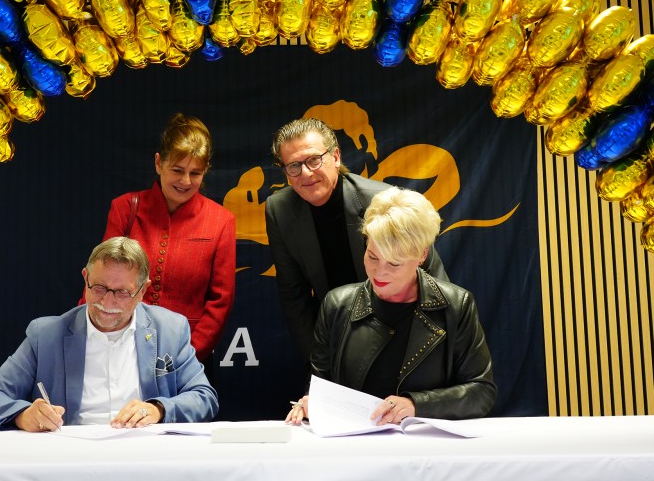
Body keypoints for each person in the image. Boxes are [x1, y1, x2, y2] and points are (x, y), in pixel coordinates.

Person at [286, 187, 496, 425]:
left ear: (422, 255)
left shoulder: (456, 306)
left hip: (426, 450)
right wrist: (309, 402)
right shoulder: (337, 305)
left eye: (395, 263)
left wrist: (416, 405)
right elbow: (319, 384)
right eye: (372, 257)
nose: (380, 272)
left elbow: (481, 392)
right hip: (355, 446)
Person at [0, 237, 218, 431]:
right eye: (99, 288)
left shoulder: (170, 329)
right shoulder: (45, 335)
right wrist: (23, 416)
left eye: (122, 292)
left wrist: (158, 409)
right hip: (71, 461)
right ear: (85, 278)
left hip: (146, 456)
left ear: (143, 291)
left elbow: (204, 398)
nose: (107, 302)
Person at [265, 117, 448, 364]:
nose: (305, 173)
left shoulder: (382, 200)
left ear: (336, 157)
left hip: (401, 330)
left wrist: (424, 356)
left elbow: (432, 280)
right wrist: (320, 364)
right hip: (336, 335)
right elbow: (294, 297)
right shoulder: (279, 210)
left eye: (313, 160)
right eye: (293, 166)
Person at [86, 113, 236, 366]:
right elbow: (98, 282)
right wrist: (92, 340)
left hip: (187, 355)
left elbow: (220, 301)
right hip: (118, 349)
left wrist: (186, 357)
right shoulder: (125, 208)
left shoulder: (221, 221)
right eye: (177, 170)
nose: (186, 181)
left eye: (195, 173)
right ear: (158, 163)